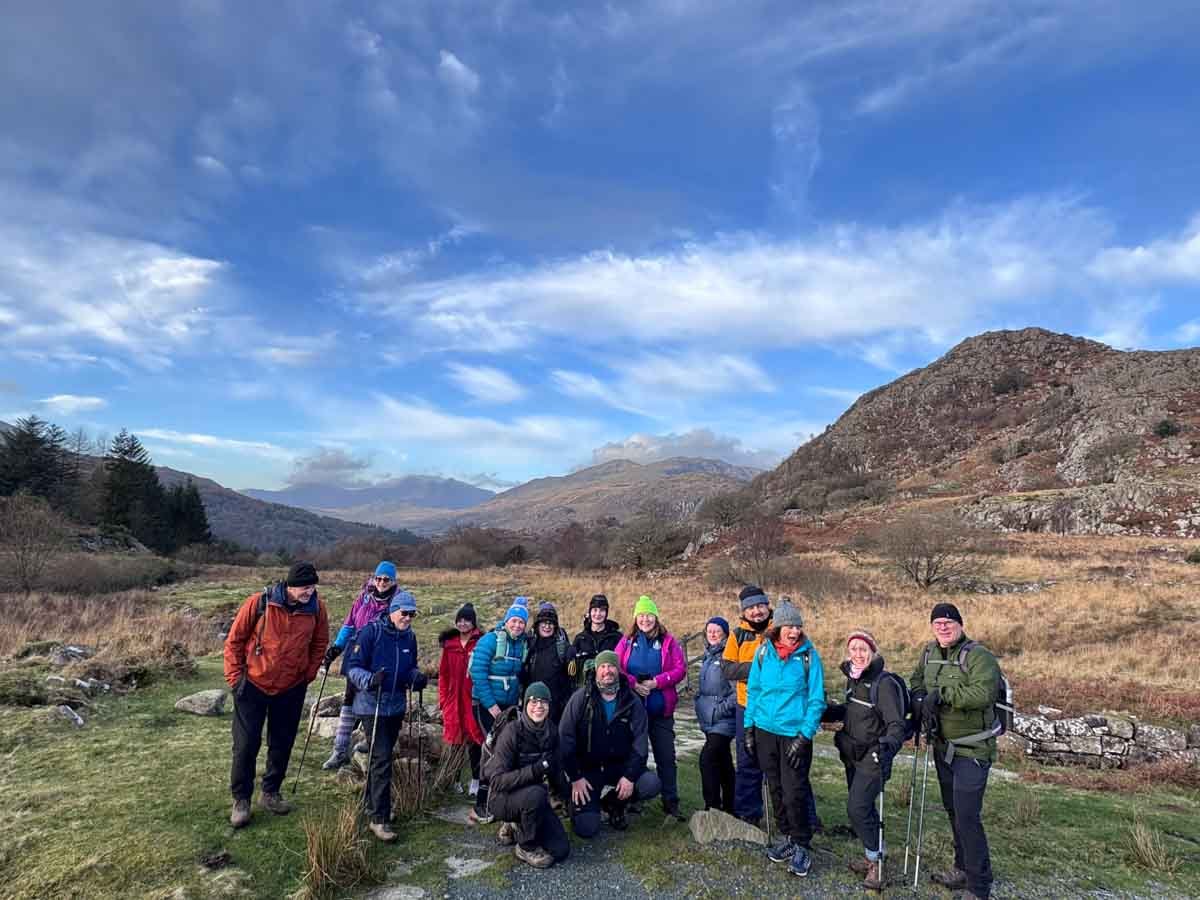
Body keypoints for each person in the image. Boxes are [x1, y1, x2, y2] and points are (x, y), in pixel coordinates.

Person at [223, 561, 329, 828]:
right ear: (290, 586)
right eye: (305, 587)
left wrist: (308, 674)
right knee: (246, 744)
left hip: (291, 687)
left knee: (282, 743)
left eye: (313, 586)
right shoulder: (260, 602)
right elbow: (234, 641)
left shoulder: (317, 608)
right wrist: (236, 679)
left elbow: (319, 643)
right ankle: (241, 800)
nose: (310, 591)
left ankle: (270, 793)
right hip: (253, 685)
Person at [909, 603, 1001, 900]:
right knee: (953, 811)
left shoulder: (979, 656)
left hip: (973, 749)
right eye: (938, 623)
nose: (943, 627)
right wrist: (921, 697)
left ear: (960, 624)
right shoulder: (928, 653)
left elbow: (983, 693)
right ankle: (962, 868)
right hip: (942, 747)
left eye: (949, 622)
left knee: (967, 816)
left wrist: (943, 695)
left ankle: (979, 885)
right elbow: (916, 682)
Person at [743, 599, 825, 878]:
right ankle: (788, 838)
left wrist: (805, 735)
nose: (794, 631)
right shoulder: (763, 652)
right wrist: (748, 728)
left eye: (798, 626)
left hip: (794, 735)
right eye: (788, 625)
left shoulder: (808, 657)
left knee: (794, 791)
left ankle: (802, 844)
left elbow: (816, 699)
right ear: (776, 627)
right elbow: (753, 690)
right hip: (765, 730)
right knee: (776, 789)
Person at [822, 629, 906, 890]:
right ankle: (872, 854)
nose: (858, 654)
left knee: (857, 808)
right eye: (854, 649)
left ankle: (877, 865)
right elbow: (851, 712)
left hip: (874, 756)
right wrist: (824, 712)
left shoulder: (885, 684)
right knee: (864, 809)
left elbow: (896, 724)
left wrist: (887, 747)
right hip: (852, 754)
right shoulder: (853, 678)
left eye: (863, 649)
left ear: (873, 652)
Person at [343, 590, 428, 841]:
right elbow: (352, 666)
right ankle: (379, 819)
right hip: (372, 705)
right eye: (405, 613)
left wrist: (415, 677)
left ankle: (372, 806)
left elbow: (409, 667)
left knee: (383, 756)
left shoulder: (409, 638)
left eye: (412, 614)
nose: (409, 618)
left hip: (396, 705)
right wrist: (370, 680)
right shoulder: (372, 632)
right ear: (393, 612)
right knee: (381, 758)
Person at [559, 650, 661, 837]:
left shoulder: (632, 701)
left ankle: (614, 804)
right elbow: (565, 739)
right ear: (596, 670)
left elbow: (640, 743)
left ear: (618, 669)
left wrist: (630, 776)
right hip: (588, 770)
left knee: (651, 784)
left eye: (612, 666)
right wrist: (575, 777)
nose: (607, 671)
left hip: (618, 767)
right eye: (603, 666)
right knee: (586, 828)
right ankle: (580, 804)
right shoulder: (581, 698)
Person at [483, 682, 571, 869]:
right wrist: (535, 770)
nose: (539, 706)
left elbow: (556, 770)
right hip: (502, 798)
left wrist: (567, 798)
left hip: (533, 798)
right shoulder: (512, 732)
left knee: (561, 849)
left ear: (549, 705)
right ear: (525, 705)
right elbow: (497, 781)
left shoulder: (552, 732)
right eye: (533, 701)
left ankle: (518, 826)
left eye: (544, 702)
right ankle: (525, 846)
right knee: (537, 794)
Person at [614, 594, 686, 820]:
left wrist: (658, 682)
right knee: (636, 755)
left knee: (666, 757)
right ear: (636, 618)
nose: (645, 620)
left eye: (649, 615)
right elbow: (615, 667)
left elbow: (680, 668)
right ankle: (634, 799)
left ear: (656, 617)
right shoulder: (626, 641)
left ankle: (670, 801)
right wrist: (634, 684)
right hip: (634, 712)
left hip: (660, 710)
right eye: (641, 615)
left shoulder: (668, 641)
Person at [321, 561, 398, 770]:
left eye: (386, 579)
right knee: (349, 701)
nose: (381, 582)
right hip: (356, 656)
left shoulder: (396, 603)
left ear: (393, 581)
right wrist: (336, 648)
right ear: (374, 578)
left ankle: (369, 740)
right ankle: (340, 750)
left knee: (372, 700)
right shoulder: (363, 599)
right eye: (379, 578)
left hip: (378, 659)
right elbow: (349, 624)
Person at [468, 601, 530, 823]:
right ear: (506, 621)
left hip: (509, 706)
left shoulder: (521, 645)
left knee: (507, 749)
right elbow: (478, 672)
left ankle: (499, 799)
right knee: (492, 749)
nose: (517, 625)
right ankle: (480, 805)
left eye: (521, 622)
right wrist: (491, 705)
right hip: (487, 705)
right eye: (514, 621)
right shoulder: (490, 640)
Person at [721, 584, 773, 824]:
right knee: (747, 761)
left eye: (760, 606)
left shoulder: (781, 629)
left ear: (767, 606)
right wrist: (758, 669)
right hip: (746, 707)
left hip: (778, 709)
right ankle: (747, 814)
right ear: (744, 611)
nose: (756, 611)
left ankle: (802, 818)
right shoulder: (737, 634)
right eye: (750, 607)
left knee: (784, 765)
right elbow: (728, 668)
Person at [438, 603, 485, 796]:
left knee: (474, 741)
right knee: (455, 742)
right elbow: (443, 675)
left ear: (473, 623)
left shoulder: (481, 642)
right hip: (453, 700)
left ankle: (476, 779)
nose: (463, 623)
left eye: (467, 620)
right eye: (460, 620)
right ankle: (454, 780)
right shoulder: (450, 646)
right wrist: (443, 700)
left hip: (472, 700)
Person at [695, 616, 736, 813]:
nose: (712, 634)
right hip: (709, 719)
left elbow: (739, 692)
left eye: (717, 631)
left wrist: (720, 709)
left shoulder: (728, 656)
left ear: (725, 634)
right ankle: (731, 805)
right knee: (723, 761)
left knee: (707, 758)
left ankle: (712, 807)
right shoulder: (709, 655)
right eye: (709, 630)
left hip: (723, 719)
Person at [522, 602, 576, 723]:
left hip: (555, 709)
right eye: (544, 622)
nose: (547, 626)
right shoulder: (529, 646)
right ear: (537, 625)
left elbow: (571, 682)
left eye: (551, 623)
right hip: (531, 706)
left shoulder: (564, 649)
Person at [571, 594, 622, 686]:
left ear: (606, 613)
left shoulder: (616, 637)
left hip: (610, 688)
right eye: (595, 610)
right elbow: (572, 670)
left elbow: (622, 665)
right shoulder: (580, 638)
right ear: (590, 612)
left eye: (602, 610)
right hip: (585, 689)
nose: (598, 614)